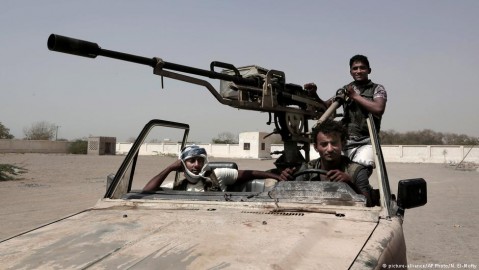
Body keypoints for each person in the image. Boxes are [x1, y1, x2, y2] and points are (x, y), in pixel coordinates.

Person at [305, 54, 387, 168]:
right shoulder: (345, 89)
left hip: (367, 141)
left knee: (361, 169)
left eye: (362, 68)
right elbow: (326, 107)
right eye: (355, 68)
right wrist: (314, 96)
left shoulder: (377, 88)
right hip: (345, 142)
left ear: (369, 70)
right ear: (350, 72)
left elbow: (378, 109)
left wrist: (355, 96)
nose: (358, 71)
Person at [279, 119, 372, 206]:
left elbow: (368, 203)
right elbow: (292, 198)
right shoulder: (307, 170)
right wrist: (286, 182)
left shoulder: (356, 171)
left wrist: (350, 184)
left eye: (334, 143)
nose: (330, 149)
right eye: (324, 144)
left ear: (343, 144)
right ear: (316, 147)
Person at [143, 145, 282, 192]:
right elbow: (147, 191)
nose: (197, 165)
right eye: (191, 161)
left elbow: (250, 174)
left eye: (200, 160)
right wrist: (169, 168)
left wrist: (277, 176)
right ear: (182, 164)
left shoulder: (218, 176)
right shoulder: (177, 186)